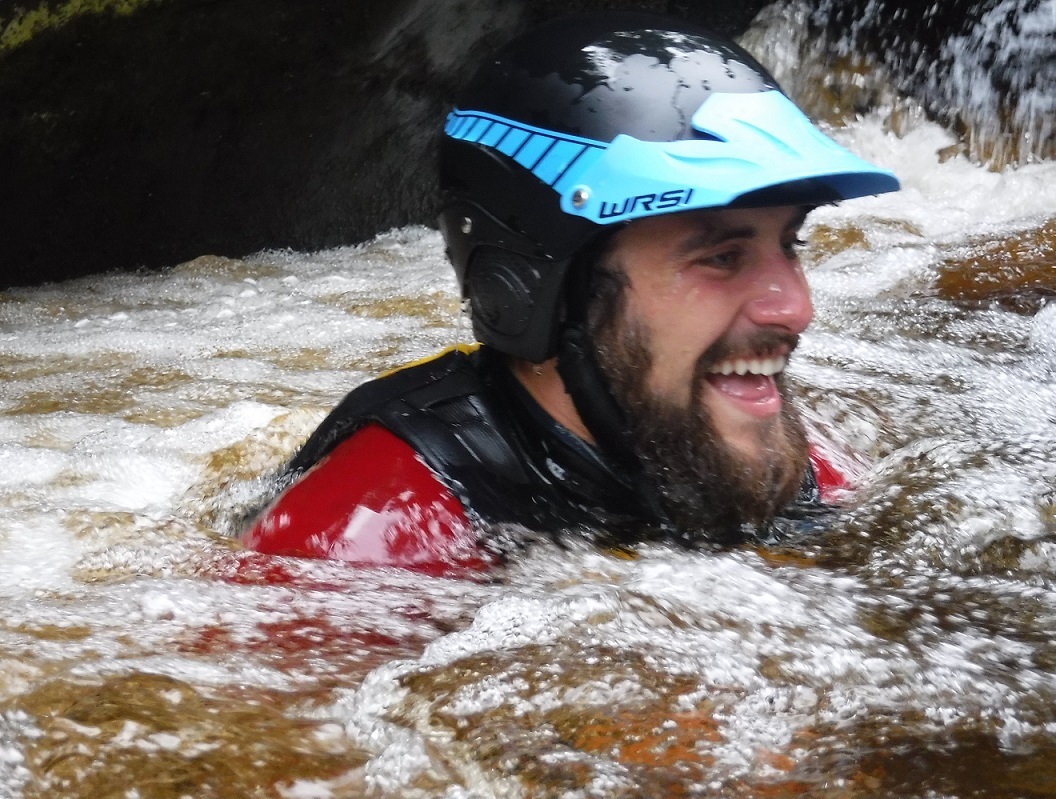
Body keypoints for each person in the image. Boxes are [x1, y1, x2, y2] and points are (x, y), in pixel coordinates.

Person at [241, 11, 899, 573]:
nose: (794, 307)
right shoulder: (374, 530)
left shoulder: (791, 461)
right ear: (535, 286)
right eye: (722, 257)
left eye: (790, 244)